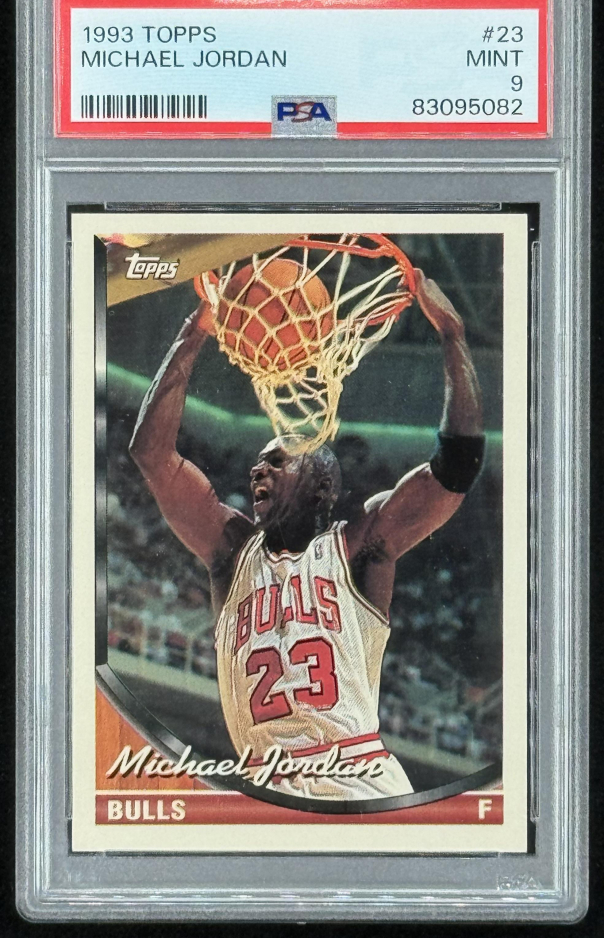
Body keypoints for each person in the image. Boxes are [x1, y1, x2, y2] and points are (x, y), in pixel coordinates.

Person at [129, 266, 484, 800]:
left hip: (355, 778)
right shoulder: (232, 549)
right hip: (264, 784)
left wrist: (453, 335)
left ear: (322, 486)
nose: (258, 469)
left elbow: (455, 468)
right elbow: (151, 454)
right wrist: (195, 328)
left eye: (277, 461)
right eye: (257, 463)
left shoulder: (359, 547)